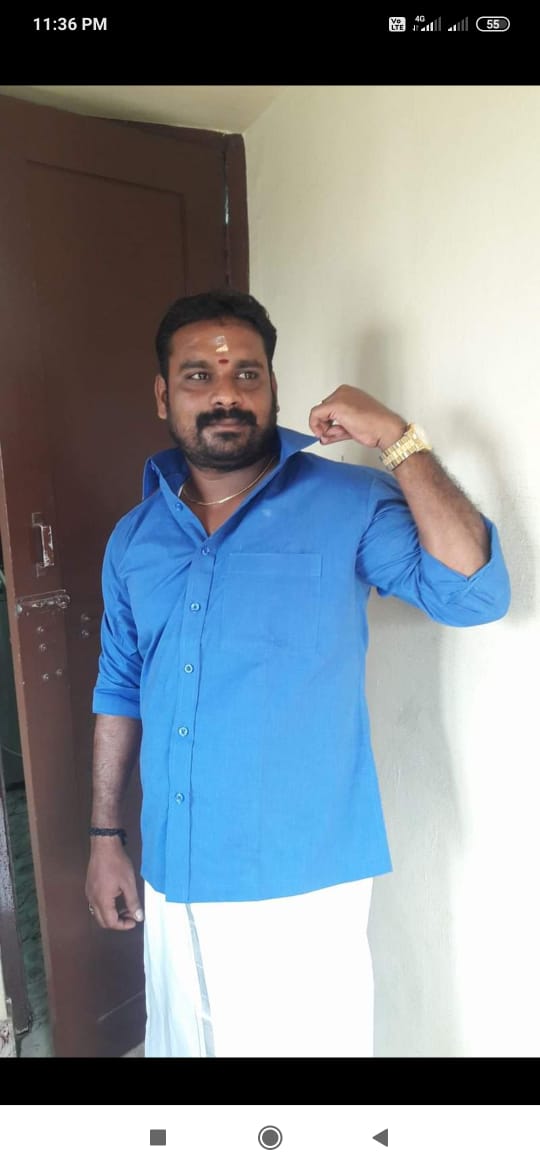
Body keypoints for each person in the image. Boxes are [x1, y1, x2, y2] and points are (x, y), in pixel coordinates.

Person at [85, 289, 510, 1058]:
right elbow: (119, 687)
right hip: (174, 871)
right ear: (163, 396)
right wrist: (105, 835)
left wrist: (397, 440)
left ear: (273, 388)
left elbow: (473, 593)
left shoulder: (348, 502)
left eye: (247, 374)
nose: (225, 393)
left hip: (302, 881)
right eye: (198, 376)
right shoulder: (134, 539)